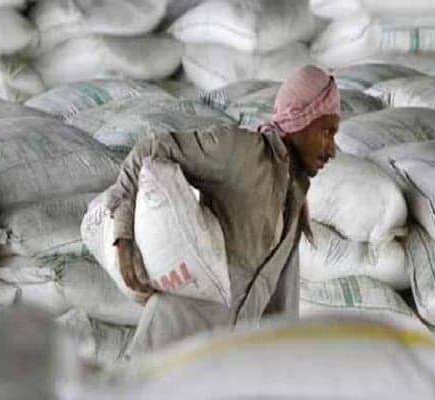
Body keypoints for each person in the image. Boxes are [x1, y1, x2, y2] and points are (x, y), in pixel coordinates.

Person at [105, 65, 340, 354]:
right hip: (168, 349)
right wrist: (123, 235)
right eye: (327, 132)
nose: (332, 149)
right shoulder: (241, 152)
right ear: (299, 119)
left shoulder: (296, 198)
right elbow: (150, 150)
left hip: (221, 361)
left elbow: (280, 309)